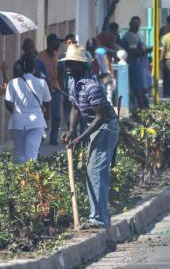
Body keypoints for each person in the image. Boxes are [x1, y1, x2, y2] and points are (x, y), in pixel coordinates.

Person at [60, 44, 119, 228]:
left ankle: (99, 219)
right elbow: (75, 108)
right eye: (67, 62)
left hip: (106, 127)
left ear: (82, 66)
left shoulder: (91, 86)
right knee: (92, 171)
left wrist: (80, 137)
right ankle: (99, 216)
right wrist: (71, 130)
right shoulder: (71, 82)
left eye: (73, 63)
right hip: (93, 126)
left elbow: (101, 117)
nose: (68, 66)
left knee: (96, 171)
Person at [5, 56, 51, 164]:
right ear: (34, 69)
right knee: (32, 154)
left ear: (20, 68)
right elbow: (48, 101)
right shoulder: (41, 82)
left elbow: (8, 102)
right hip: (36, 122)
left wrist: (17, 112)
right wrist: (48, 115)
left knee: (19, 153)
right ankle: (30, 179)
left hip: (17, 122)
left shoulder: (13, 83)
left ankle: (19, 179)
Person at [120, 16, 151, 110]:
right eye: (135, 24)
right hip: (134, 64)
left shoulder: (136, 35)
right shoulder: (131, 36)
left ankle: (142, 105)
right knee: (137, 86)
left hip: (140, 64)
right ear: (131, 25)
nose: (137, 26)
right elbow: (134, 52)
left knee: (142, 86)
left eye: (138, 24)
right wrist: (148, 50)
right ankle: (141, 106)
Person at [39, 33, 64, 145]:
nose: (59, 44)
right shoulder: (40, 56)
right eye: (57, 42)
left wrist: (62, 89)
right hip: (43, 90)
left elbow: (60, 74)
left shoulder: (56, 56)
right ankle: (40, 136)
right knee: (43, 114)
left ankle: (53, 139)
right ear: (50, 43)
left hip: (56, 89)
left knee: (57, 116)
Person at [58, 34, 77, 127]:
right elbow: (59, 74)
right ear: (65, 44)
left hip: (79, 89)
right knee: (68, 112)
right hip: (67, 91)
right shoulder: (61, 58)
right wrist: (62, 88)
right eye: (69, 43)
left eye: (73, 42)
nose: (71, 44)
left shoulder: (80, 56)